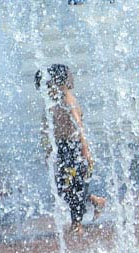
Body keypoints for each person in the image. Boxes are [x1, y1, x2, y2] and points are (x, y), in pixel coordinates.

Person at [35, 64, 105, 234]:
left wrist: (85, 150)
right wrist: (48, 151)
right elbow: (47, 129)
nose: (46, 92)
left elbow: (78, 125)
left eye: (48, 86)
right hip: (61, 148)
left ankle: (77, 224)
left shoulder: (68, 100)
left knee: (75, 186)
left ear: (58, 83)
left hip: (75, 147)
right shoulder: (52, 103)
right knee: (62, 188)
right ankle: (95, 201)